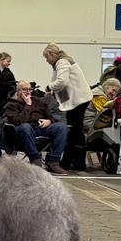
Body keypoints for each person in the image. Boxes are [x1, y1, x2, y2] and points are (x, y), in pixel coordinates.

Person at [42, 43, 94, 171]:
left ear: (52, 55)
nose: (47, 61)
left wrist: (49, 87)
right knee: (76, 130)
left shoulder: (62, 62)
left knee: (73, 130)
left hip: (78, 101)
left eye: (47, 57)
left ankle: (69, 161)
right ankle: (75, 161)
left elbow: (62, 81)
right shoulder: (64, 61)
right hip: (79, 100)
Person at [3, 80, 68, 174]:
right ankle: (35, 159)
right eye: (25, 89)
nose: (28, 92)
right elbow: (19, 121)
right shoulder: (11, 105)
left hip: (41, 127)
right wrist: (28, 105)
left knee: (61, 127)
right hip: (24, 131)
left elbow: (50, 116)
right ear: (18, 91)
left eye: (30, 89)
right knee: (25, 127)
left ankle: (53, 161)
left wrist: (49, 121)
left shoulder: (38, 101)